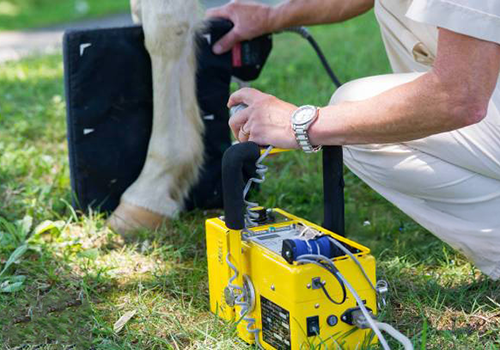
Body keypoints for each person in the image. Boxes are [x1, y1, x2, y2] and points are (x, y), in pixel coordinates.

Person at [207, 0, 500, 280]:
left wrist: (302, 123)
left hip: (470, 95)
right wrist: (271, 18)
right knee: (357, 122)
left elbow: (460, 96)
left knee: (354, 111)